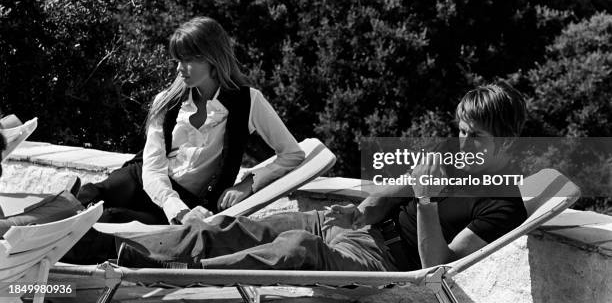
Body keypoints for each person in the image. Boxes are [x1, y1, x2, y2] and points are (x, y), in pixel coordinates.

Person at [114, 81, 528, 271]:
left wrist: (426, 200)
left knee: (298, 247)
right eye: (461, 130)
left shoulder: (503, 203)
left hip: (379, 261)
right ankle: (133, 255)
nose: (462, 141)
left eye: (476, 136)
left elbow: (438, 264)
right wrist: (358, 213)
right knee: (237, 226)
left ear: (507, 143)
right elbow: (386, 196)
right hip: (355, 232)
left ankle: (183, 275)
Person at [76, 17, 305, 226]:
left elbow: (292, 153)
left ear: (212, 57)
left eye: (186, 60)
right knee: (89, 197)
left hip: (187, 204)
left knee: (110, 221)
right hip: (148, 183)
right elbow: (153, 169)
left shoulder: (248, 101)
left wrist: (247, 184)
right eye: (177, 60)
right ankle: (44, 221)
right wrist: (179, 210)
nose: (178, 69)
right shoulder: (166, 101)